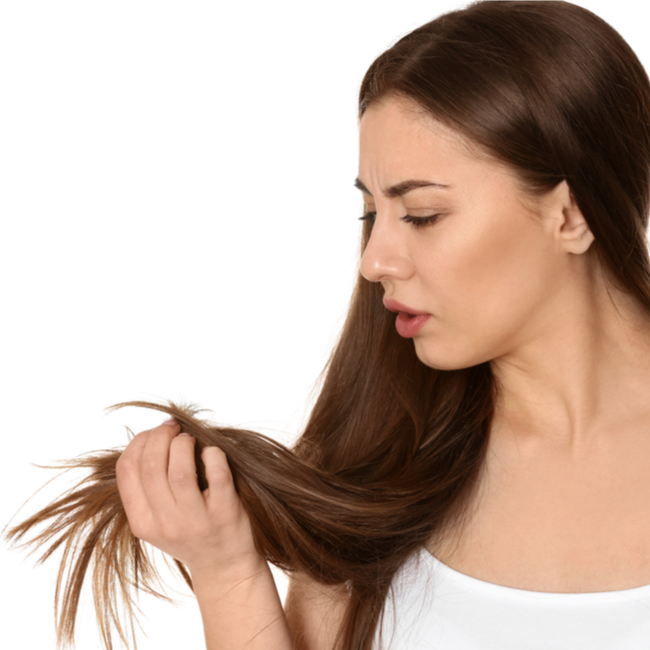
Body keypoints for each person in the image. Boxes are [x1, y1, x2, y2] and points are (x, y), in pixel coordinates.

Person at [7, 1, 650, 648]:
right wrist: (227, 572)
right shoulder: (379, 463)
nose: (374, 262)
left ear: (570, 215)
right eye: (371, 214)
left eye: (422, 214)